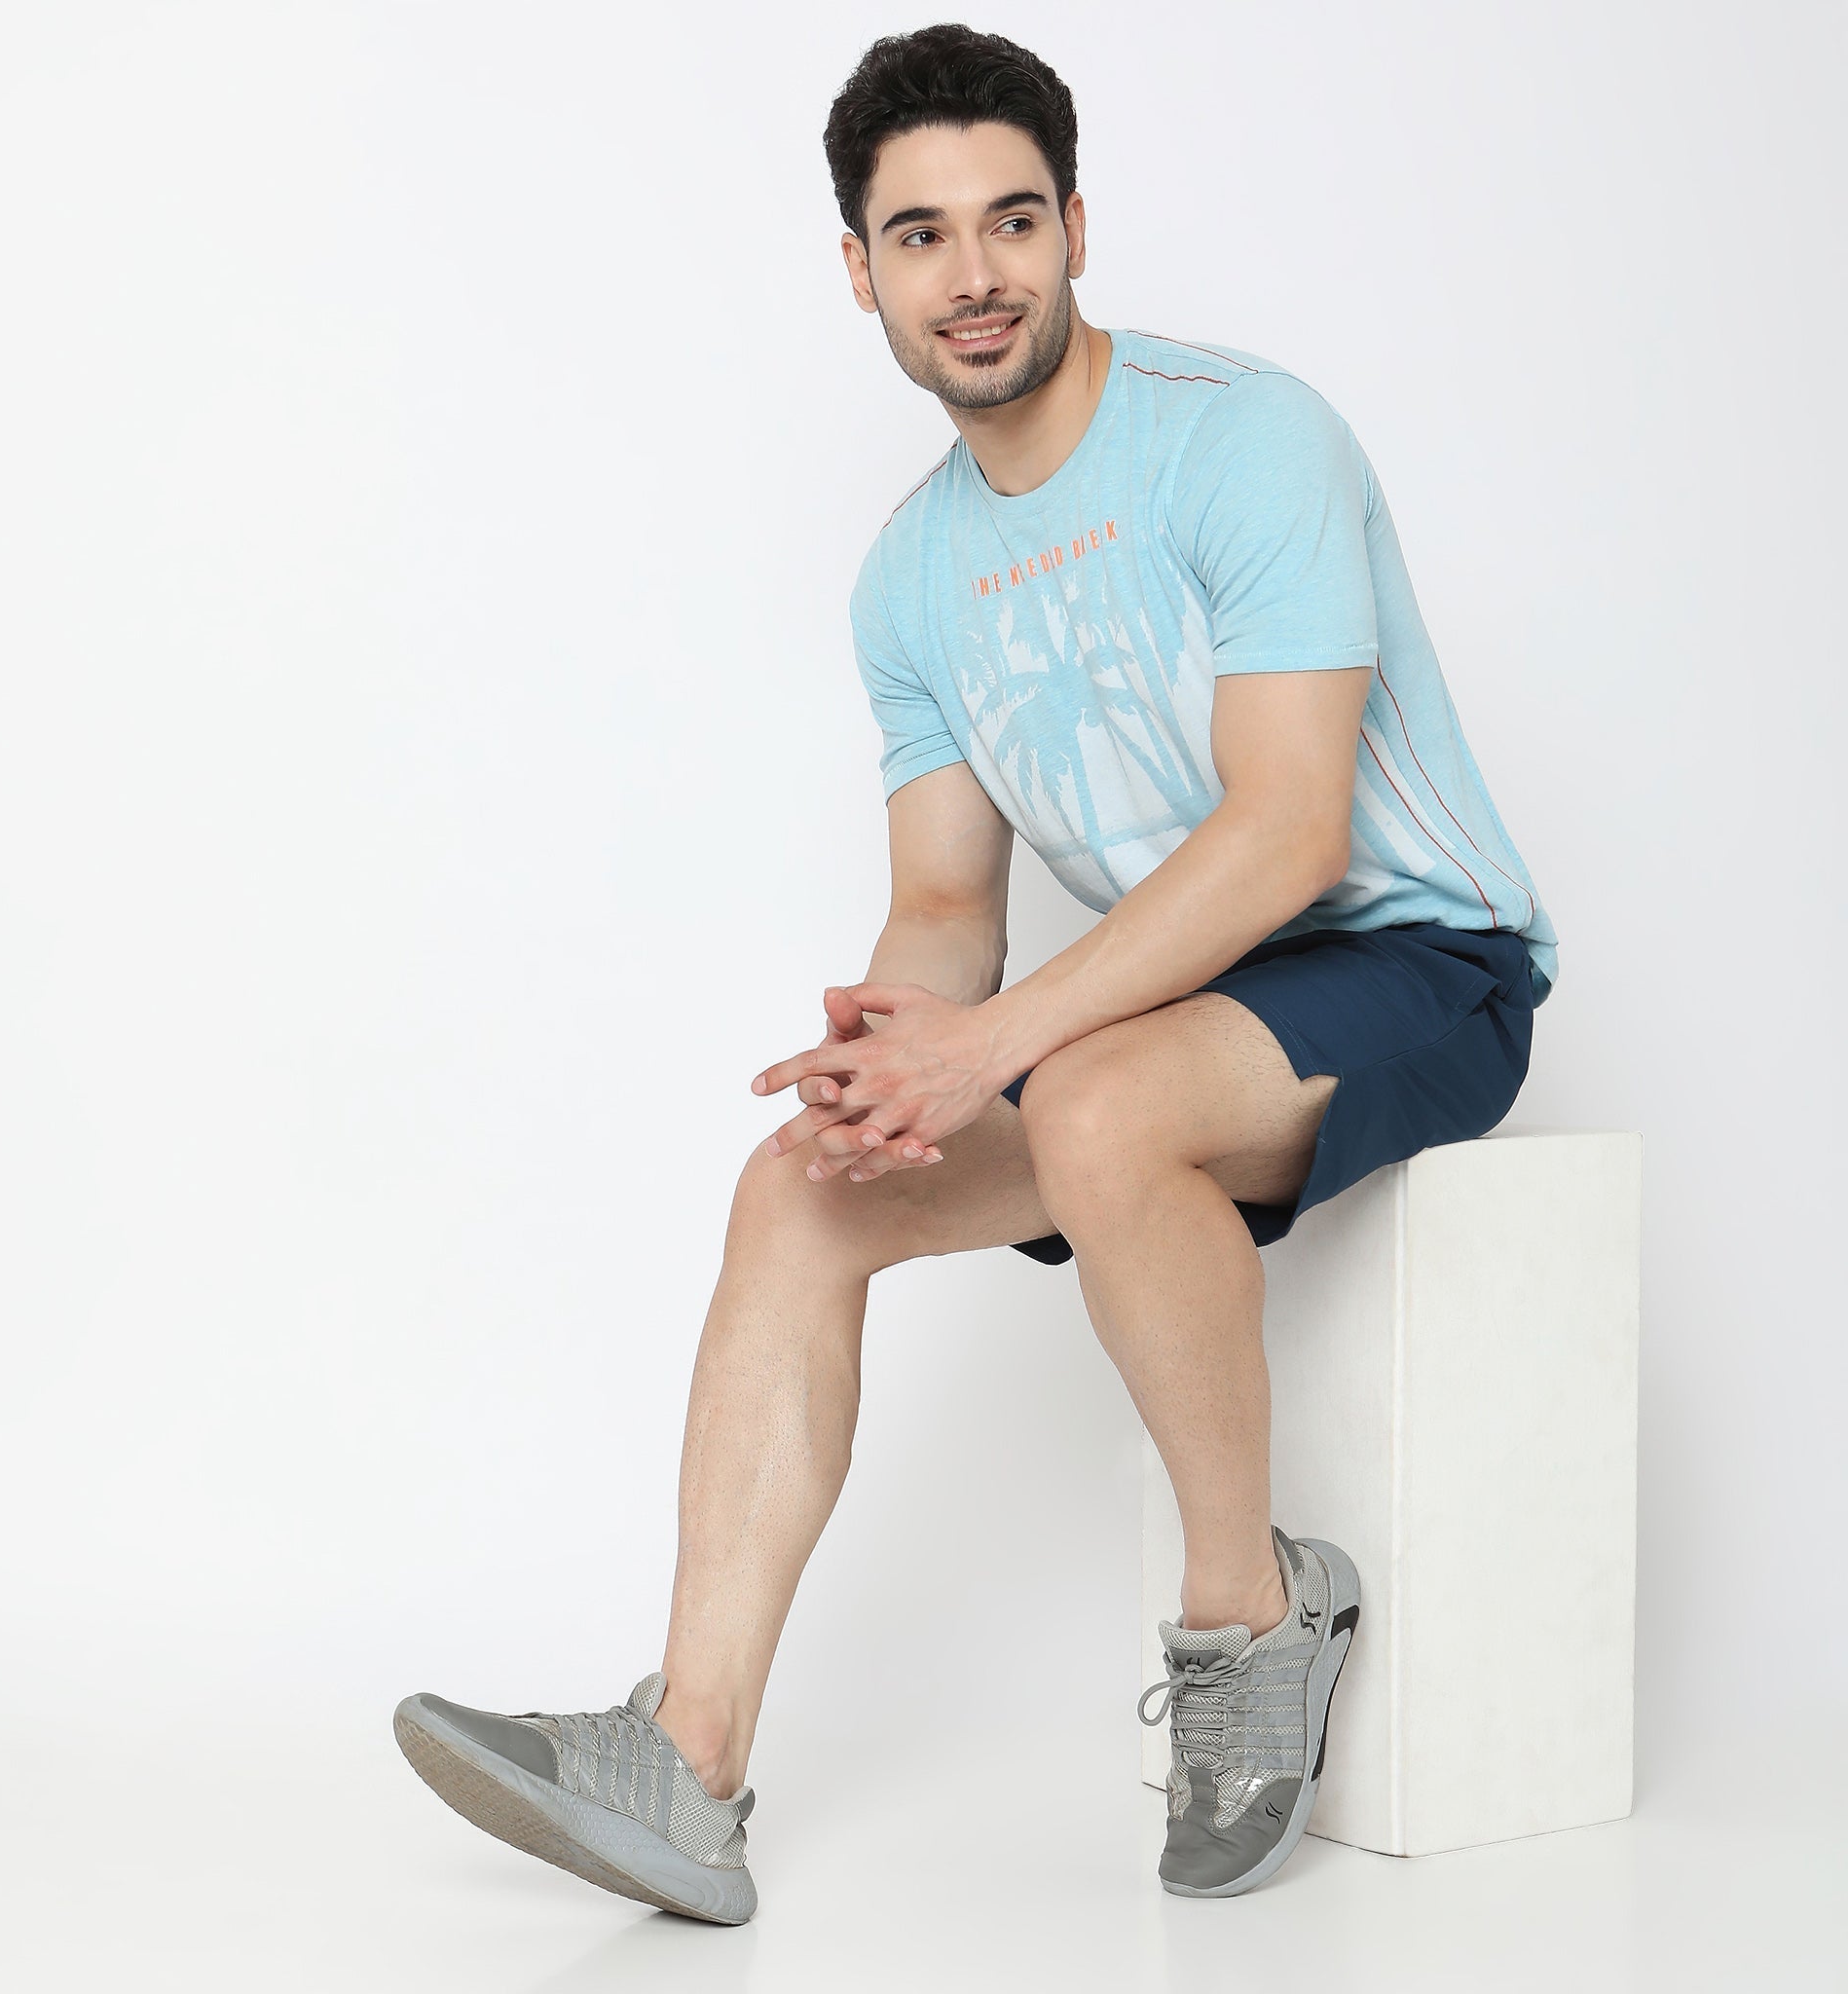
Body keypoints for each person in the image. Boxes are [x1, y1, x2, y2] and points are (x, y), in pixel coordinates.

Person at [392, 23, 1557, 1920]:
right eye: (921, 235)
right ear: (860, 270)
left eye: (1012, 220)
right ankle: (687, 1760)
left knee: (1093, 1102)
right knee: (800, 1189)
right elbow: (946, 904)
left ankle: (1252, 1613)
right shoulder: (908, 580)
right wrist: (897, 1051)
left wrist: (1003, 1044)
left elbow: (1289, 834)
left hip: (1419, 961)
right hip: (1166, 1011)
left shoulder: (1243, 436)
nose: (975, 272)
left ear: (1076, 228)